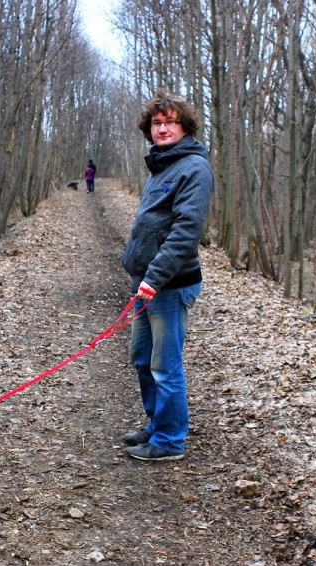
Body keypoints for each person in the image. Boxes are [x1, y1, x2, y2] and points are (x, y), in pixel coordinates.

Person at [120, 90, 214, 461]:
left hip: (169, 285)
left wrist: (155, 277)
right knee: (142, 358)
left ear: (184, 126)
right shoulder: (163, 163)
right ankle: (156, 424)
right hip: (146, 283)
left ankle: (170, 441)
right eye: (157, 123)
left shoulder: (194, 168)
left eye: (169, 122)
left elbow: (185, 231)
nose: (162, 128)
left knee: (165, 365)